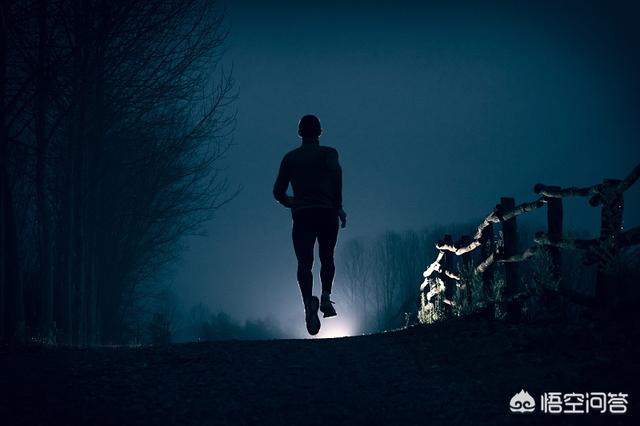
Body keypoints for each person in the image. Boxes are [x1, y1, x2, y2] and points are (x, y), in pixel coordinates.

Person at [273, 114, 347, 335]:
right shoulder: (329, 153)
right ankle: (325, 296)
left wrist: (292, 202)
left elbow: (278, 192)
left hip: (303, 215)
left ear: (299, 133)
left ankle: (308, 303)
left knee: (304, 263)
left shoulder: (290, 158)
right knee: (327, 257)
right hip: (327, 213)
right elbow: (337, 176)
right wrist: (338, 206)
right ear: (320, 132)